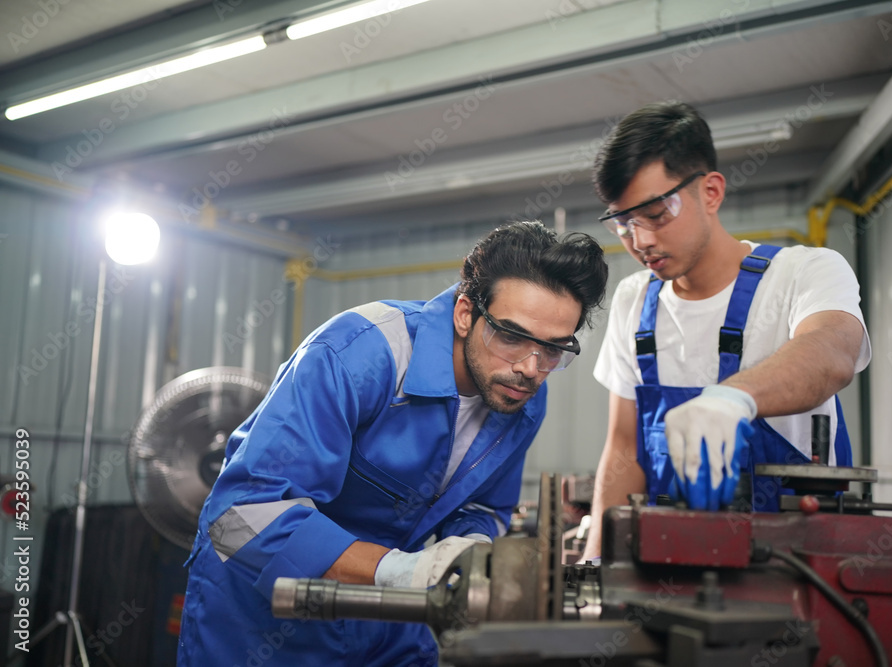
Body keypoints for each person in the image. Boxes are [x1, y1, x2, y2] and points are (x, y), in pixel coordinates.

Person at [178, 221, 608, 666]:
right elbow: (239, 515)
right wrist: (403, 570)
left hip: (390, 616)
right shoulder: (359, 355)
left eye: (554, 349)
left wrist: (470, 556)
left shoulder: (522, 402)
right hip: (263, 617)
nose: (530, 367)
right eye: (512, 337)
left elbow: (481, 509)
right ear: (466, 313)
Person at [582, 102, 871, 559]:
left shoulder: (805, 271)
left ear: (711, 192)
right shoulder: (633, 301)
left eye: (657, 214)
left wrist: (734, 398)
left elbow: (832, 350)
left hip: (801, 567)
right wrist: (596, 561)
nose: (641, 242)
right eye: (623, 224)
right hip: (670, 563)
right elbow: (624, 447)